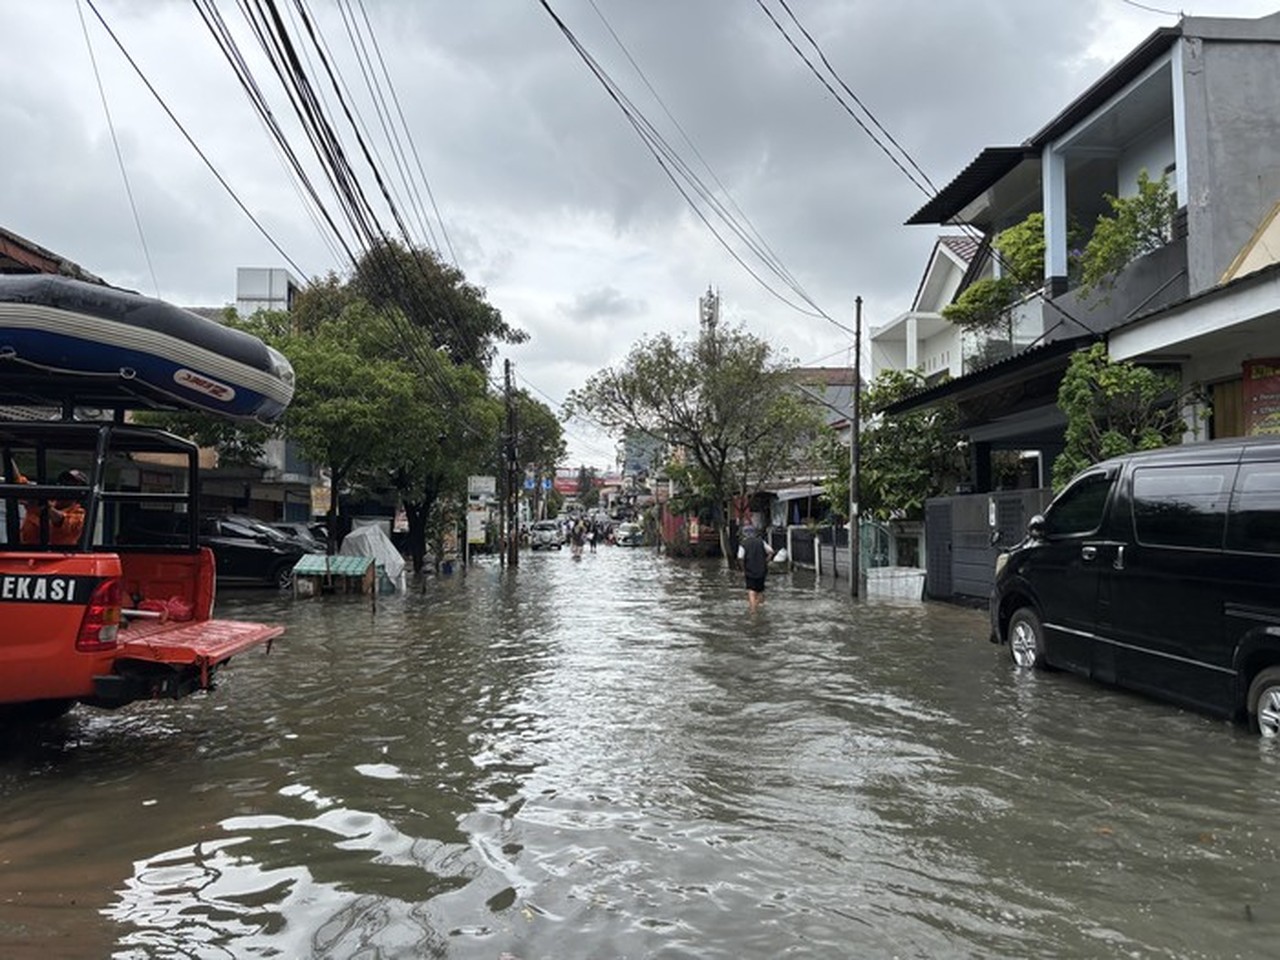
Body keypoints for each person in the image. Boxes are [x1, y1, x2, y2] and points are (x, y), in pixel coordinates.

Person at [19, 468, 88, 547]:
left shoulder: (80, 516)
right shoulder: (47, 498)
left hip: (56, 556)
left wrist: (45, 506)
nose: (63, 486)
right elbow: (18, 481)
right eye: (62, 482)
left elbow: (62, 521)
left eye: (71, 484)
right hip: (24, 551)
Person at [737, 524, 774, 614]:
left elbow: (740, 557)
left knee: (751, 591)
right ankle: (760, 607)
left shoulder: (743, 544)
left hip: (750, 570)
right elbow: (771, 552)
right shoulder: (761, 541)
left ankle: (753, 611)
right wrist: (765, 562)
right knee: (760, 590)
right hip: (762, 570)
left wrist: (743, 569)